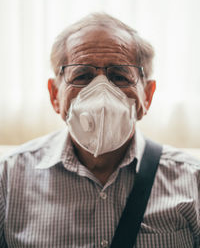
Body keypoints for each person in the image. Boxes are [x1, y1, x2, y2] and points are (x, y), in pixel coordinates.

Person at [0, 13, 199, 248]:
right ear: (55, 95)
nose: (102, 92)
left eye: (119, 76)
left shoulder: (192, 181)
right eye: (82, 76)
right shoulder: (8, 180)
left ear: (147, 94)